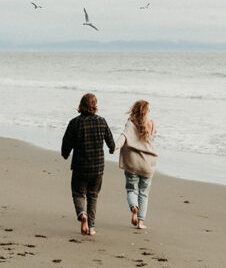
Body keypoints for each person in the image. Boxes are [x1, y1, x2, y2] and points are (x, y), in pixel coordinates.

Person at [61, 92, 115, 236]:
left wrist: (65, 154)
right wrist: (111, 148)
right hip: (97, 168)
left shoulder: (75, 123)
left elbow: (66, 142)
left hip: (80, 166)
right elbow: (111, 141)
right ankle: (91, 227)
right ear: (95, 106)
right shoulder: (101, 121)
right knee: (93, 196)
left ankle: (82, 214)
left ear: (81, 105)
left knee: (78, 193)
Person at [113, 99, 158, 230]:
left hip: (133, 163)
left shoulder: (130, 123)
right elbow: (152, 139)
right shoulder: (152, 124)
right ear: (146, 111)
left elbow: (123, 137)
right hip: (148, 164)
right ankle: (140, 222)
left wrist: (113, 147)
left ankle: (134, 207)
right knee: (144, 193)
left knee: (132, 189)